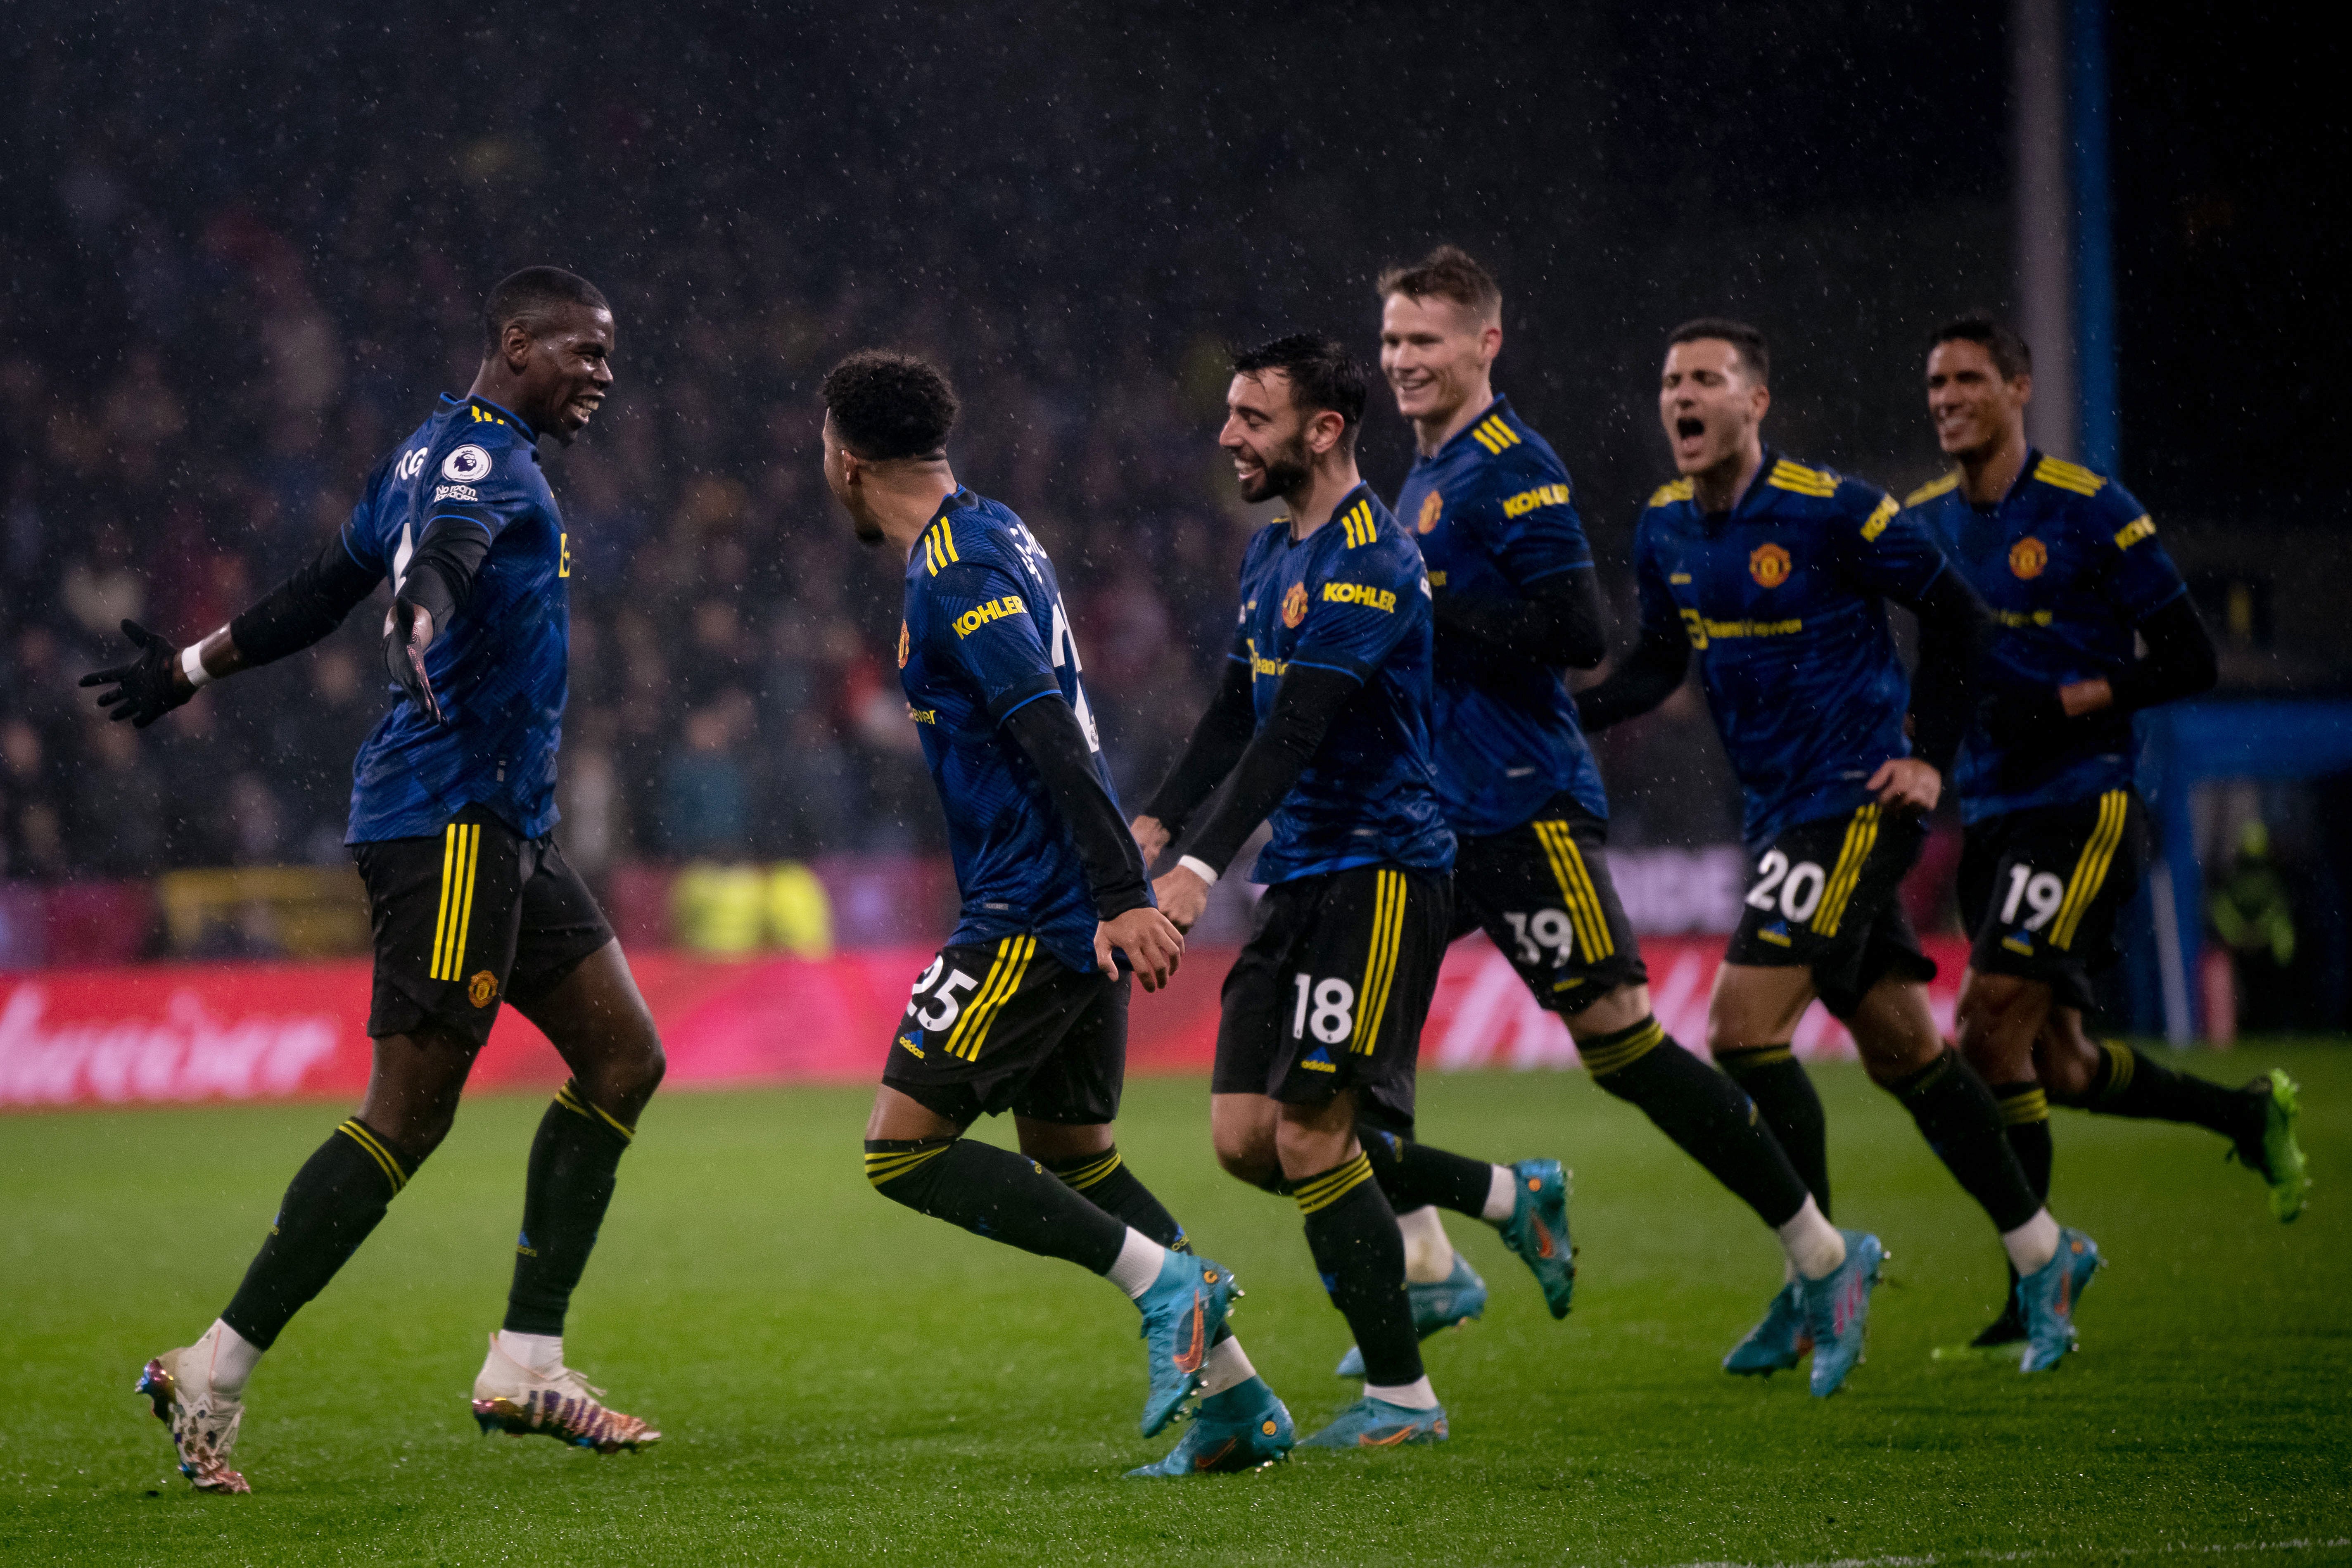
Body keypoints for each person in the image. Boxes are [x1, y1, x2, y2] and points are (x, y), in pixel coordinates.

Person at [86, 268, 664, 1492]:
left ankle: (526, 1357)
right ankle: (214, 1366)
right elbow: (432, 569)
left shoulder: (421, 453)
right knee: (408, 1112)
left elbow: (322, 588)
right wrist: (421, 615)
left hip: (503, 823)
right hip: (447, 824)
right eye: (587, 351)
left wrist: (191, 664)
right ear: (516, 343)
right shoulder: (479, 464)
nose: (605, 374)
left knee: (623, 1054)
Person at [1578, 318, 2099, 1383]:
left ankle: (1817, 1271)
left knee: (1739, 1029)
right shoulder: (1664, 526)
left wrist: (1930, 759)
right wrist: (1561, 710)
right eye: (1672, 381)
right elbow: (1654, 668)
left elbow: (1959, 619)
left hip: (1854, 799)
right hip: (1778, 812)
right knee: (1906, 1053)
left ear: (1755, 403)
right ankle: (2046, 1253)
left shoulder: (1834, 509)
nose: (1684, 398)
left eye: (1708, 380)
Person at [1362, 246, 1847, 1383]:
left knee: (1623, 1044)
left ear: (1487, 343)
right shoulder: (1417, 479)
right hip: (1432, 813)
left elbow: (1578, 629)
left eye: (1425, 340)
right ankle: (1429, 1259)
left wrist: (1426, 598)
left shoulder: (1510, 467)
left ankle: (1821, 1251)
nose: (1403, 362)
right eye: (1391, 342)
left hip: (1521, 810)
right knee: (1336, 1049)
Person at [817, 350, 1291, 1478]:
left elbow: (1045, 725)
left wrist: (1119, 893)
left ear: (848, 457)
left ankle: (1168, 1285)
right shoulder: (996, 528)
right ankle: (1237, 1401)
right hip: (1063, 895)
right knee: (1073, 1150)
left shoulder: (956, 563)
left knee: (902, 1151)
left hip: (1034, 906)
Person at [1135, 334, 1536, 1450]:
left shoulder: (1373, 557)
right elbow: (1235, 710)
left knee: (1314, 1135)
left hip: (1383, 871)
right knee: (1243, 1136)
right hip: (1300, 875)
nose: (1228, 436)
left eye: (1251, 418)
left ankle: (1405, 1396)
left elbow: (1298, 731)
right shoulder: (1271, 554)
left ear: (1321, 430)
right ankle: (1496, 1202)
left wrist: (1195, 870)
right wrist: (1158, 814)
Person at [1903, 315, 2305, 1355]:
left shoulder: (2090, 512)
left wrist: (2075, 700)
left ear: (2018, 388)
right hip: (1988, 814)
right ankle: (2244, 1118)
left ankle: (2037, 1278)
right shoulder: (1920, 523)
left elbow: (2188, 657)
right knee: (2064, 1068)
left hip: (2082, 801)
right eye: (1935, 384)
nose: (1946, 398)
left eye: (1967, 380)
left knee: (1986, 1027)